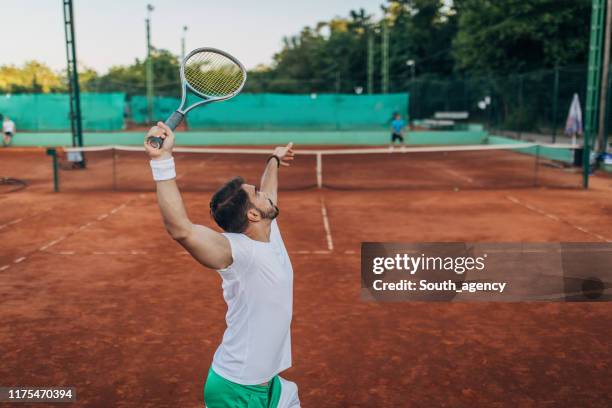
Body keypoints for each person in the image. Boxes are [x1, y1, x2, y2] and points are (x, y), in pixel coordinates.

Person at [144, 122, 300, 408]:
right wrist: (162, 161)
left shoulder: (268, 231)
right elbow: (182, 230)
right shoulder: (239, 252)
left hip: (271, 387)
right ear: (253, 214)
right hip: (234, 389)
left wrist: (274, 159)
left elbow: (269, 190)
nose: (265, 194)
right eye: (257, 194)